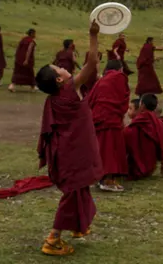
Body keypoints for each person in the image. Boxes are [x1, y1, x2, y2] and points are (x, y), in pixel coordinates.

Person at [35, 20, 102, 256]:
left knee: (80, 188)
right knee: (74, 191)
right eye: (58, 69)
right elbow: (91, 64)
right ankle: (53, 239)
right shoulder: (69, 89)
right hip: (73, 151)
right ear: (59, 80)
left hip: (66, 150)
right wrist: (93, 35)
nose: (63, 68)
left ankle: (78, 226)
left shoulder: (54, 98)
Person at [87, 59, 130, 192]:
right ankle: (107, 180)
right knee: (110, 149)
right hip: (110, 117)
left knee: (101, 147)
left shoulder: (101, 81)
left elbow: (90, 99)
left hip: (98, 116)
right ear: (120, 69)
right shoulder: (119, 77)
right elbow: (123, 98)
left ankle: (97, 178)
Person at [124, 94, 163, 181]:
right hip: (151, 166)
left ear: (142, 105)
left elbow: (128, 134)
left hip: (139, 166)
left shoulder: (142, 118)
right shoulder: (158, 121)